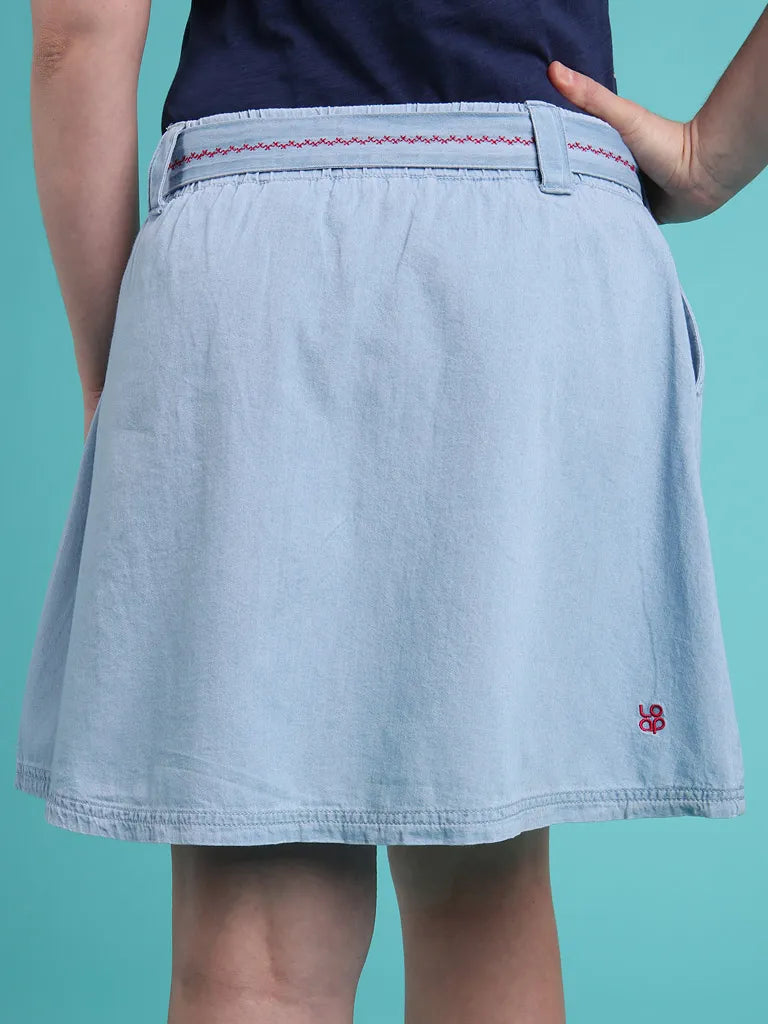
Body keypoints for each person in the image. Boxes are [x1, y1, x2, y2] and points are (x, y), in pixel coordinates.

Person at [16, 2, 760, 1022]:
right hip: (525, 236)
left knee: (257, 938)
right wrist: (710, 157)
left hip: (255, 242)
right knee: (483, 895)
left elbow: (78, 34)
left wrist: (115, 372)